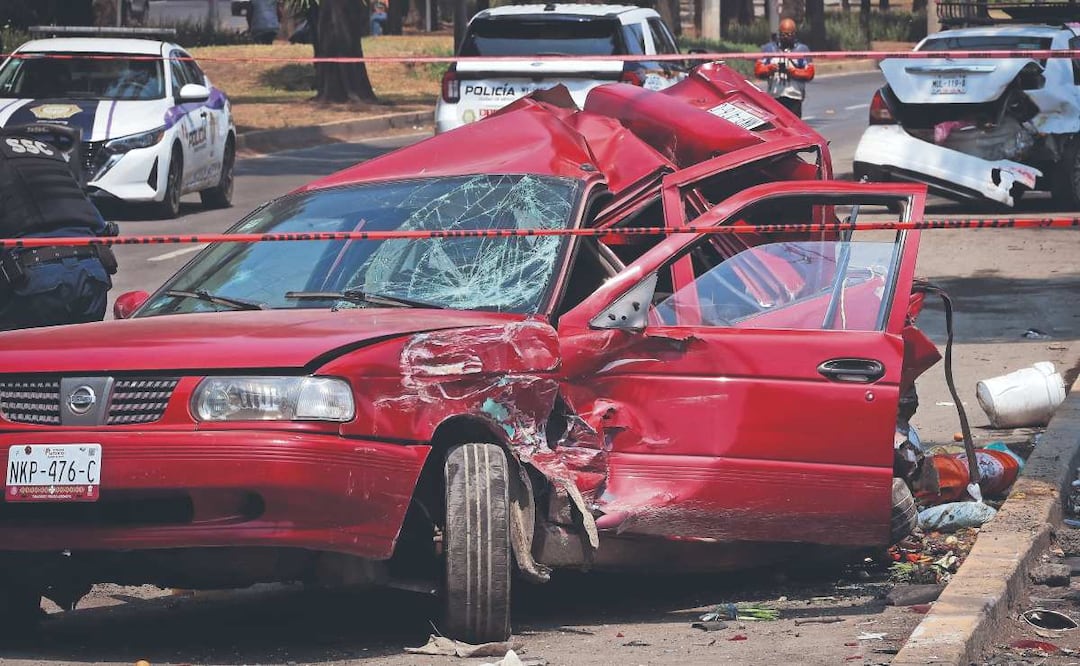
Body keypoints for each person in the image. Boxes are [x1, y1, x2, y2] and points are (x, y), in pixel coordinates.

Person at [0, 124, 118, 331]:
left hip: (35, 281)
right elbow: (100, 226)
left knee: (20, 360)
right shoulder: (46, 150)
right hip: (92, 274)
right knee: (80, 358)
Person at [754, 17, 815, 118]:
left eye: (789, 34)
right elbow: (758, 70)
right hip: (775, 95)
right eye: (783, 34)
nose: (786, 37)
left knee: (794, 126)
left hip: (794, 96)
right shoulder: (769, 49)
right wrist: (769, 69)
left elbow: (810, 73)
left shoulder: (802, 49)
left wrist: (794, 72)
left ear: (794, 34)